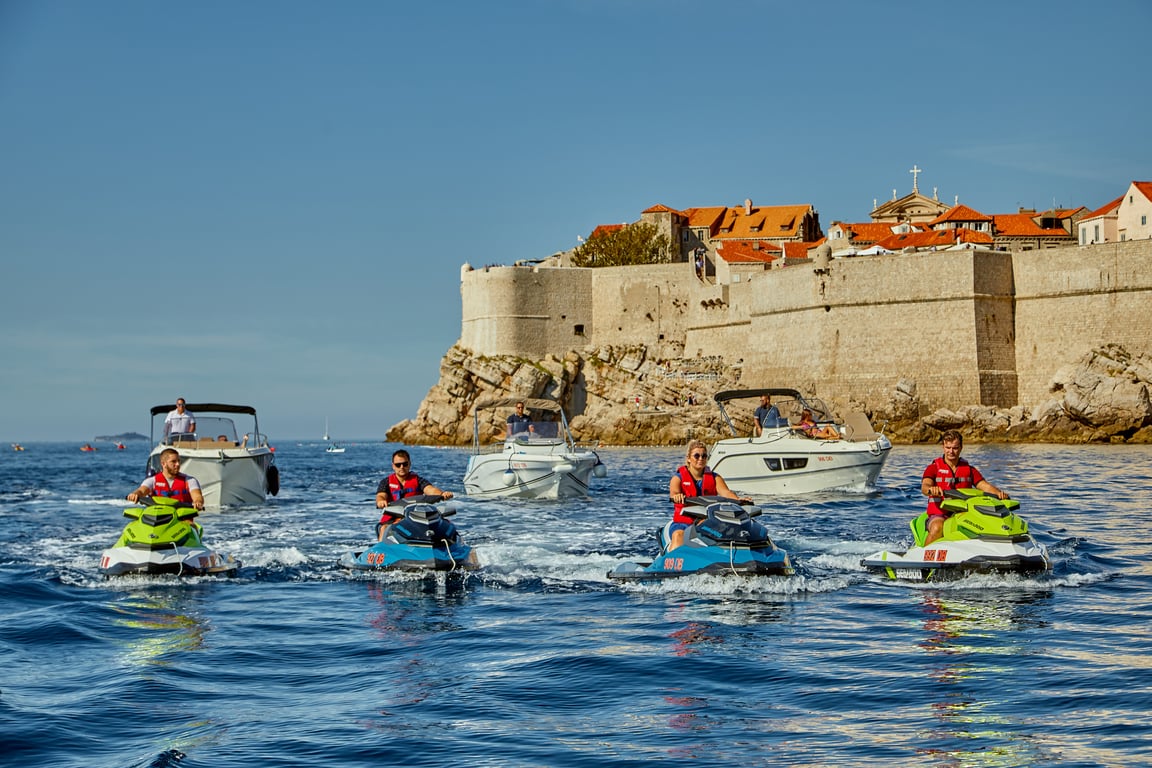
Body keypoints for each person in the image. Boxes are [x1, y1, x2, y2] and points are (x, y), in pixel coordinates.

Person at [921, 429, 1008, 545]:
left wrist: (999, 494)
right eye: (948, 448)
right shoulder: (933, 468)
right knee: (938, 527)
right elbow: (925, 486)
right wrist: (931, 489)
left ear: (961, 448)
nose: (951, 451)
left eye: (955, 448)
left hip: (964, 513)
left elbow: (984, 486)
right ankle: (924, 558)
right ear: (943, 447)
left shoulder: (969, 470)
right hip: (940, 513)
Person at [667, 439, 749, 551]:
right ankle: (672, 564)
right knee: (678, 536)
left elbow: (726, 493)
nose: (700, 459)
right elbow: (674, 492)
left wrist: (739, 500)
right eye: (696, 456)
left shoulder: (715, 478)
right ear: (688, 458)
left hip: (707, 521)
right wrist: (677, 496)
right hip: (683, 522)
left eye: (704, 456)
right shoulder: (678, 478)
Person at [374, 449, 454, 540]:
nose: (401, 467)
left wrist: (442, 494)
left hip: (416, 517)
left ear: (409, 464)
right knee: (384, 528)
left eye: (405, 464)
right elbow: (381, 495)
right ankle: (382, 551)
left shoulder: (419, 480)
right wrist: (381, 501)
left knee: (447, 524)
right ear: (393, 466)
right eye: (398, 465)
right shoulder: (386, 482)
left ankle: (453, 548)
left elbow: (430, 489)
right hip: (394, 518)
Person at [126, 448, 205, 511]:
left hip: (183, 520)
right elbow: (141, 491)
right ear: (163, 464)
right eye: (173, 462)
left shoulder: (190, 480)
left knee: (191, 524)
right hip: (158, 520)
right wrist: (135, 494)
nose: (177, 464)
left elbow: (197, 496)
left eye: (178, 461)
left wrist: (198, 502)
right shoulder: (152, 481)